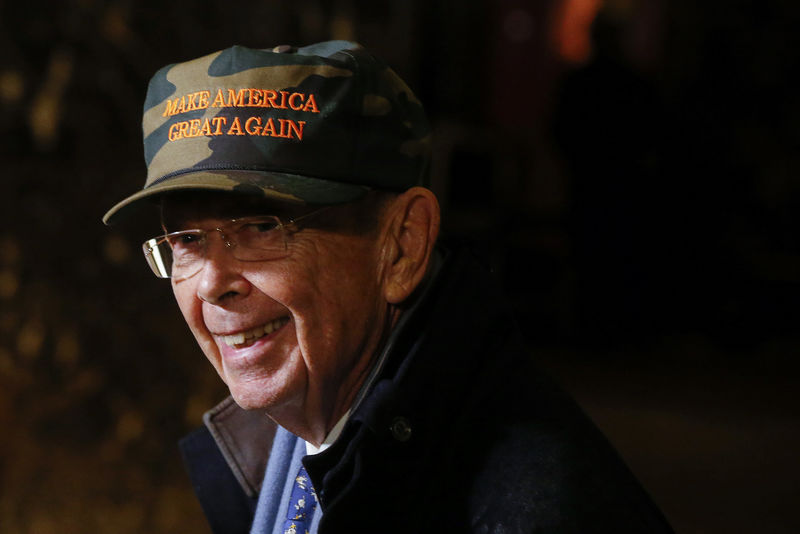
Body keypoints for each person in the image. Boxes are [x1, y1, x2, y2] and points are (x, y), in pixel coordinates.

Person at [103, 41, 673, 534]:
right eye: (186, 241)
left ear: (403, 244)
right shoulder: (306, 422)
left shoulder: (526, 509)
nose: (212, 285)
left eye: (259, 229)